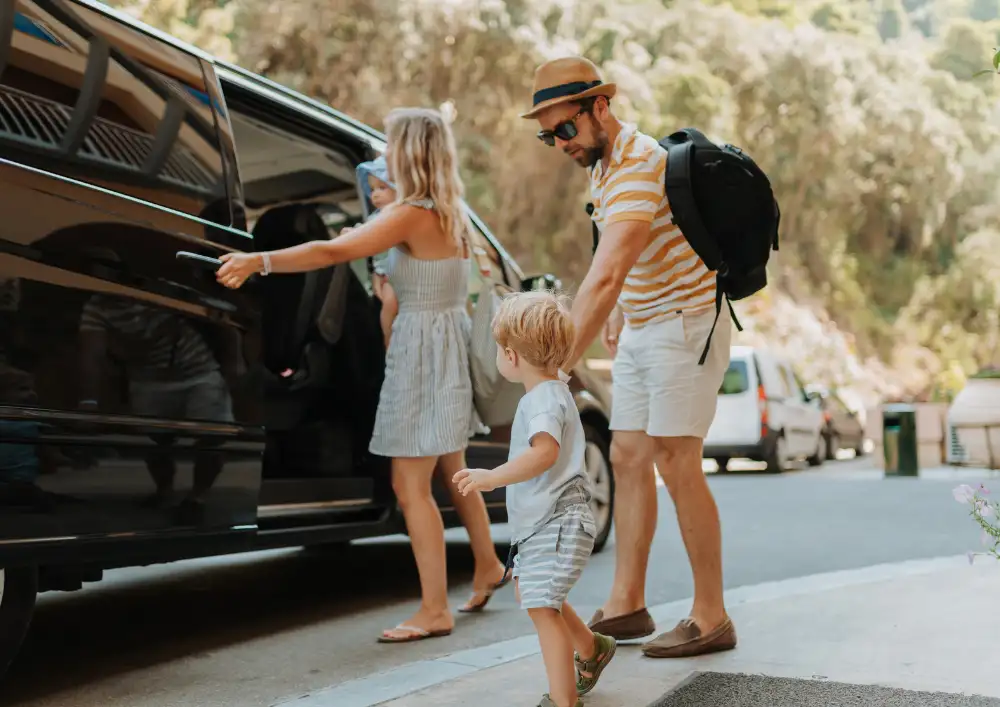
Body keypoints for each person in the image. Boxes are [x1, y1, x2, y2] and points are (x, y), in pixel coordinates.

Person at [216, 107, 507, 642]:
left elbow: (331, 250)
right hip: (444, 345)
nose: (386, 155)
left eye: (392, 145)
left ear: (408, 153)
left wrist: (259, 261)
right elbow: (401, 287)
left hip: (421, 353)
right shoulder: (448, 212)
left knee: (408, 484)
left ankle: (435, 609)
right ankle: (487, 564)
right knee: (453, 469)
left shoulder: (410, 213)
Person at [521, 56, 736, 658]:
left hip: (685, 326)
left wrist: (556, 366)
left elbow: (606, 271)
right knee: (628, 455)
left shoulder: (639, 164)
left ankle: (712, 615)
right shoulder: (604, 166)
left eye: (565, 128)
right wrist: (620, 313)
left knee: (676, 460)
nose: (559, 143)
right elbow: (627, 254)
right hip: (646, 325)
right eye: (548, 135)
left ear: (600, 108)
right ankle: (627, 604)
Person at [453, 291, 616, 707]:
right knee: (540, 599)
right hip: (546, 524)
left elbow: (545, 453)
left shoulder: (541, 399)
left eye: (497, 349)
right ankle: (592, 649)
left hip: (556, 524)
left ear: (511, 356)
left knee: (542, 609)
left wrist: (492, 477)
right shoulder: (554, 391)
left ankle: (564, 701)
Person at [356, 156, 400, 348]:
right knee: (385, 306)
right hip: (382, 273)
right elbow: (364, 233)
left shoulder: (398, 216)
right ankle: (388, 343)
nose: (375, 195)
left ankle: (390, 342)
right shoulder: (375, 217)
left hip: (397, 274)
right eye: (372, 189)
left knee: (389, 305)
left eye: (382, 188)